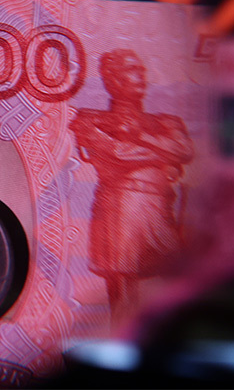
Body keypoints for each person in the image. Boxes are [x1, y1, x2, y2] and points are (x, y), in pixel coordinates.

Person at [70, 49, 194, 324]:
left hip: (161, 208)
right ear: (112, 80)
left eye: (142, 70)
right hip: (120, 209)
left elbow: (185, 150)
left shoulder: (166, 121)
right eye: (132, 70)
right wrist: (163, 157)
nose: (141, 76)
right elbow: (117, 152)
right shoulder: (89, 119)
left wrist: (140, 135)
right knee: (124, 289)